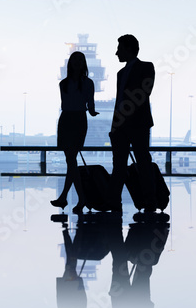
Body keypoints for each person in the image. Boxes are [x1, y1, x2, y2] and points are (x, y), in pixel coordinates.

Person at [109, 34, 154, 210]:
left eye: (119, 48)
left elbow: (145, 92)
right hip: (121, 125)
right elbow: (119, 101)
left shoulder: (146, 67)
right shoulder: (120, 73)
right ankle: (113, 200)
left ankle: (150, 200)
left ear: (128, 49)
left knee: (142, 162)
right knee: (119, 165)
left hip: (137, 124)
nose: (116, 53)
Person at [52, 51, 99, 214]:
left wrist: (92, 112)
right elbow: (78, 104)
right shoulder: (64, 84)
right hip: (67, 120)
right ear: (70, 63)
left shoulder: (87, 83)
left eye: (80, 60)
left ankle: (66, 196)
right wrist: (91, 111)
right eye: (75, 60)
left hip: (77, 120)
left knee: (71, 161)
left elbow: (89, 104)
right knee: (71, 161)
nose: (77, 62)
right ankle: (79, 198)